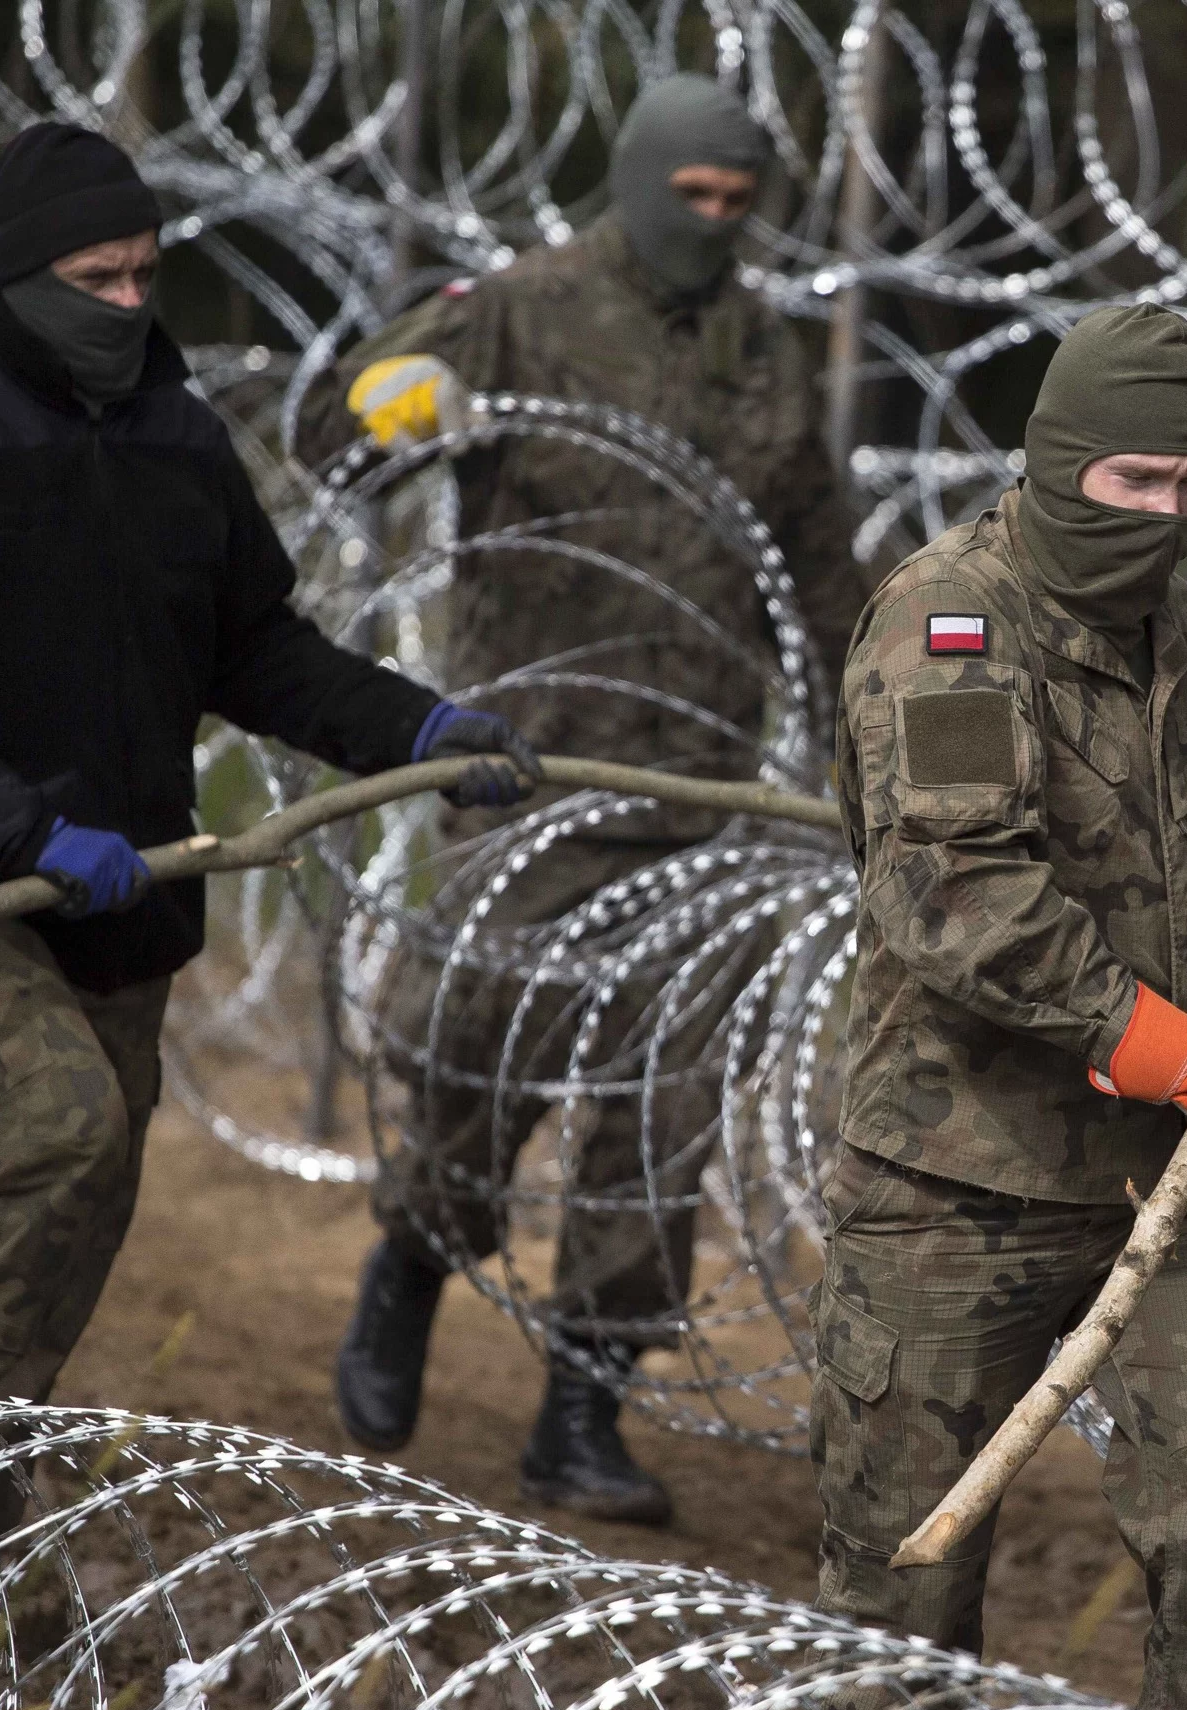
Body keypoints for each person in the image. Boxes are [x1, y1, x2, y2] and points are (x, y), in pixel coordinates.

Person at [0, 119, 534, 1682]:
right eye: (93, 277)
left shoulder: (178, 442)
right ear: (19, 277)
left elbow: (259, 648)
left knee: (72, 1218)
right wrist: (18, 826)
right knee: (60, 1132)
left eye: (144, 273)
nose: (126, 302)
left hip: (125, 910)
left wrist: (418, 732)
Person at [815, 304, 1187, 1710]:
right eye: (1132, 481)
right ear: (1060, 459)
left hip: (1165, 1168)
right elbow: (961, 894)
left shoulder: (1173, 635)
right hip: (955, 1179)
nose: (1162, 514)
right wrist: (1171, 1047)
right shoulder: (948, 625)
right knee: (902, 1592)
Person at [300, 74, 867, 1526]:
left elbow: (816, 567)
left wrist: (867, 751)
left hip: (699, 791)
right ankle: (412, 1263)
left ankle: (582, 1412)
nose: (719, 224)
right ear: (640, 181)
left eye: (742, 205)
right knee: (479, 1067)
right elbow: (344, 436)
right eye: (697, 199)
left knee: (657, 1114)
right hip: (532, 775)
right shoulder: (519, 311)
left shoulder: (772, 354)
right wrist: (389, 406)